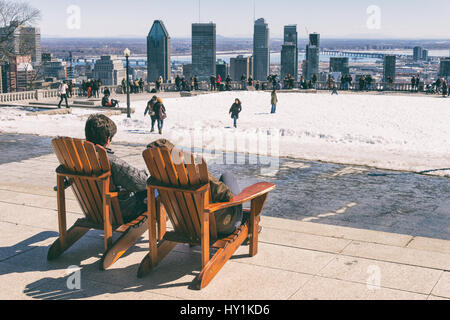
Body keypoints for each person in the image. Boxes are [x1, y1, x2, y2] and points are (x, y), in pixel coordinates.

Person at [146, 139, 245, 236]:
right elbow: (227, 195)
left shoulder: (157, 181)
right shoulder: (195, 172)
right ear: (176, 153)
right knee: (227, 176)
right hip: (221, 226)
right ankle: (248, 223)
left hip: (187, 226)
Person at [84, 114, 149, 223]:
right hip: (119, 211)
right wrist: (144, 173)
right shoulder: (109, 160)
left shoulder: (78, 157)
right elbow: (142, 182)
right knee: (158, 191)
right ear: (108, 139)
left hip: (93, 209)